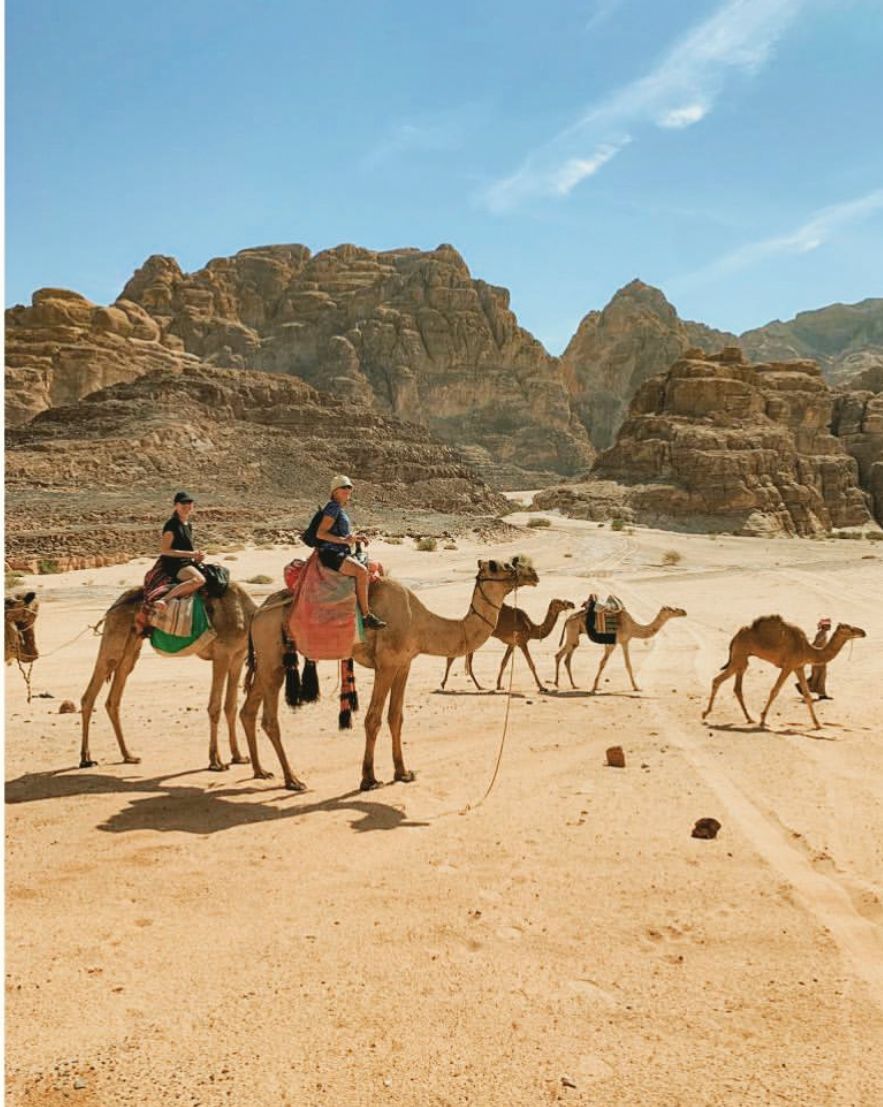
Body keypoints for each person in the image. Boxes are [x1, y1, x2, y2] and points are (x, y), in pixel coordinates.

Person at [315, 475, 386, 629]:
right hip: (332, 554)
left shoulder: (339, 509)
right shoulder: (333, 508)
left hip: (342, 552)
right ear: (334, 491)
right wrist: (344, 541)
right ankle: (366, 615)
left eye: (349, 487)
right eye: (343, 487)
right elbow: (321, 534)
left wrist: (354, 538)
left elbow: (340, 534)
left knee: (377, 566)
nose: (348, 490)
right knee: (361, 572)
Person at [155, 492, 207, 606]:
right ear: (176, 505)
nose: (186, 506)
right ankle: (165, 599)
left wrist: (197, 557)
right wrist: (191, 555)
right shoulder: (172, 525)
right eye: (183, 503)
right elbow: (165, 550)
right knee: (199, 580)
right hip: (174, 564)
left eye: (189, 502)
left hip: (186, 562)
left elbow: (184, 547)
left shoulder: (188, 524)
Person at [795, 617, 832, 700]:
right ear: (824, 626)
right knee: (819, 675)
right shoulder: (821, 634)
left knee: (820, 675)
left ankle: (822, 694)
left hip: (821, 657)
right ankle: (803, 686)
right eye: (828, 625)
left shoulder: (823, 633)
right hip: (818, 657)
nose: (830, 626)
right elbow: (815, 645)